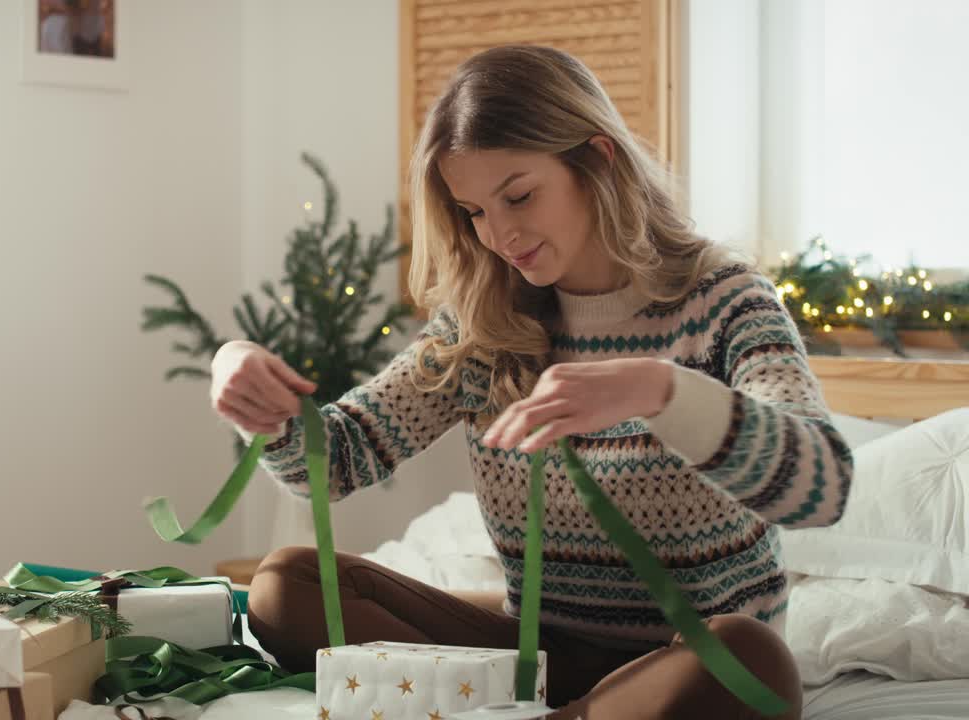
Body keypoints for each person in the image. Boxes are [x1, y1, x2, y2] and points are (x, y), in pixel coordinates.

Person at [210, 45, 851, 720]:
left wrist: (659, 389)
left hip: (684, 659)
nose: (501, 234)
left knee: (754, 661)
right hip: (530, 654)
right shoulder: (486, 324)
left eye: (518, 195)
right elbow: (334, 463)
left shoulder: (725, 303)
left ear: (598, 159)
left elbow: (822, 484)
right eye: (475, 212)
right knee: (284, 585)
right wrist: (244, 375)